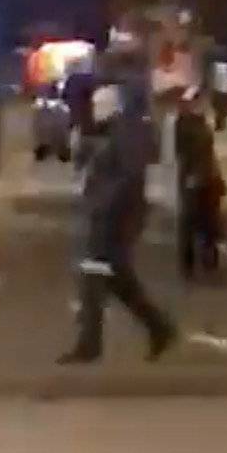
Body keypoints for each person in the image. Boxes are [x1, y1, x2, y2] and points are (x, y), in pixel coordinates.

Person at [59, 80, 176, 366]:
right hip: (112, 218)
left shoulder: (124, 135)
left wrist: (102, 207)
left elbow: (127, 178)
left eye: (98, 106)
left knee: (95, 278)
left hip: (113, 220)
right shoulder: (116, 133)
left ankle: (90, 345)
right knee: (117, 280)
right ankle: (159, 328)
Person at [173, 87, 225, 282]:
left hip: (207, 175)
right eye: (194, 100)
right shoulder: (182, 124)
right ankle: (188, 266)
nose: (198, 103)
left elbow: (209, 151)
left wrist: (216, 172)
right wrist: (192, 175)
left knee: (210, 221)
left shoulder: (202, 122)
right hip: (192, 177)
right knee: (189, 221)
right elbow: (182, 154)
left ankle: (210, 263)